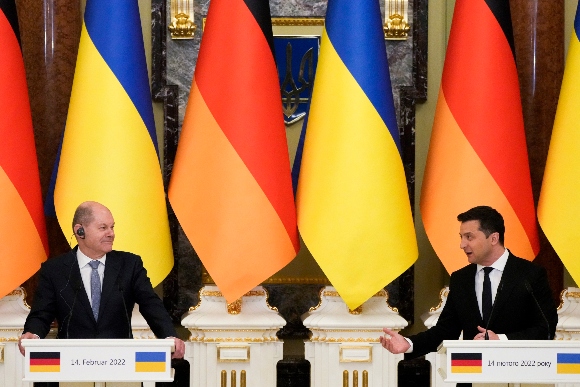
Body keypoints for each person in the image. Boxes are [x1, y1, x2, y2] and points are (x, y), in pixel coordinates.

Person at [380, 206, 557, 385]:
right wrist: (409, 344)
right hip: (472, 378)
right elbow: (446, 330)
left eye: (469, 237)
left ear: (493, 238)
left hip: (518, 376)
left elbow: (546, 328)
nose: (462, 244)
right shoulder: (461, 279)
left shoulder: (530, 275)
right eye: (461, 237)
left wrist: (501, 340)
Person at [19, 201, 185, 360]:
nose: (111, 233)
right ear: (80, 231)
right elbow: (42, 313)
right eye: (103, 228)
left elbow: (151, 304)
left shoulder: (129, 264)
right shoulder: (55, 270)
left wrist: (168, 335)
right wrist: (32, 334)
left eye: (112, 227)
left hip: (121, 361)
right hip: (72, 363)